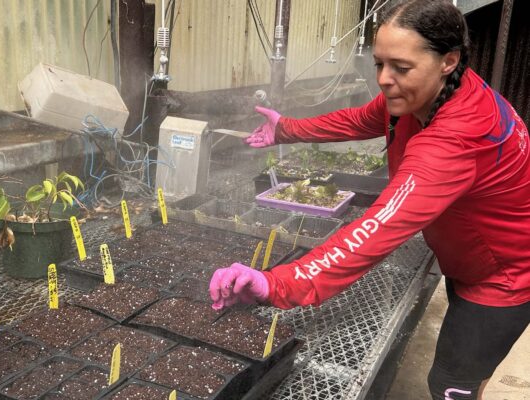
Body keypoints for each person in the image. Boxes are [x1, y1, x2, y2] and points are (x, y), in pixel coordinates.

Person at [208, 1, 530, 399]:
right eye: (379, 63)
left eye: (400, 67)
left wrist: (277, 283)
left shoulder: (457, 137)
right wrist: (286, 129)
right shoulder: (429, 92)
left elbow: (379, 228)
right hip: (471, 258)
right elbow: (362, 118)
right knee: (468, 369)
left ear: (448, 60)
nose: (383, 79)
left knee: (450, 385)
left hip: (504, 278)